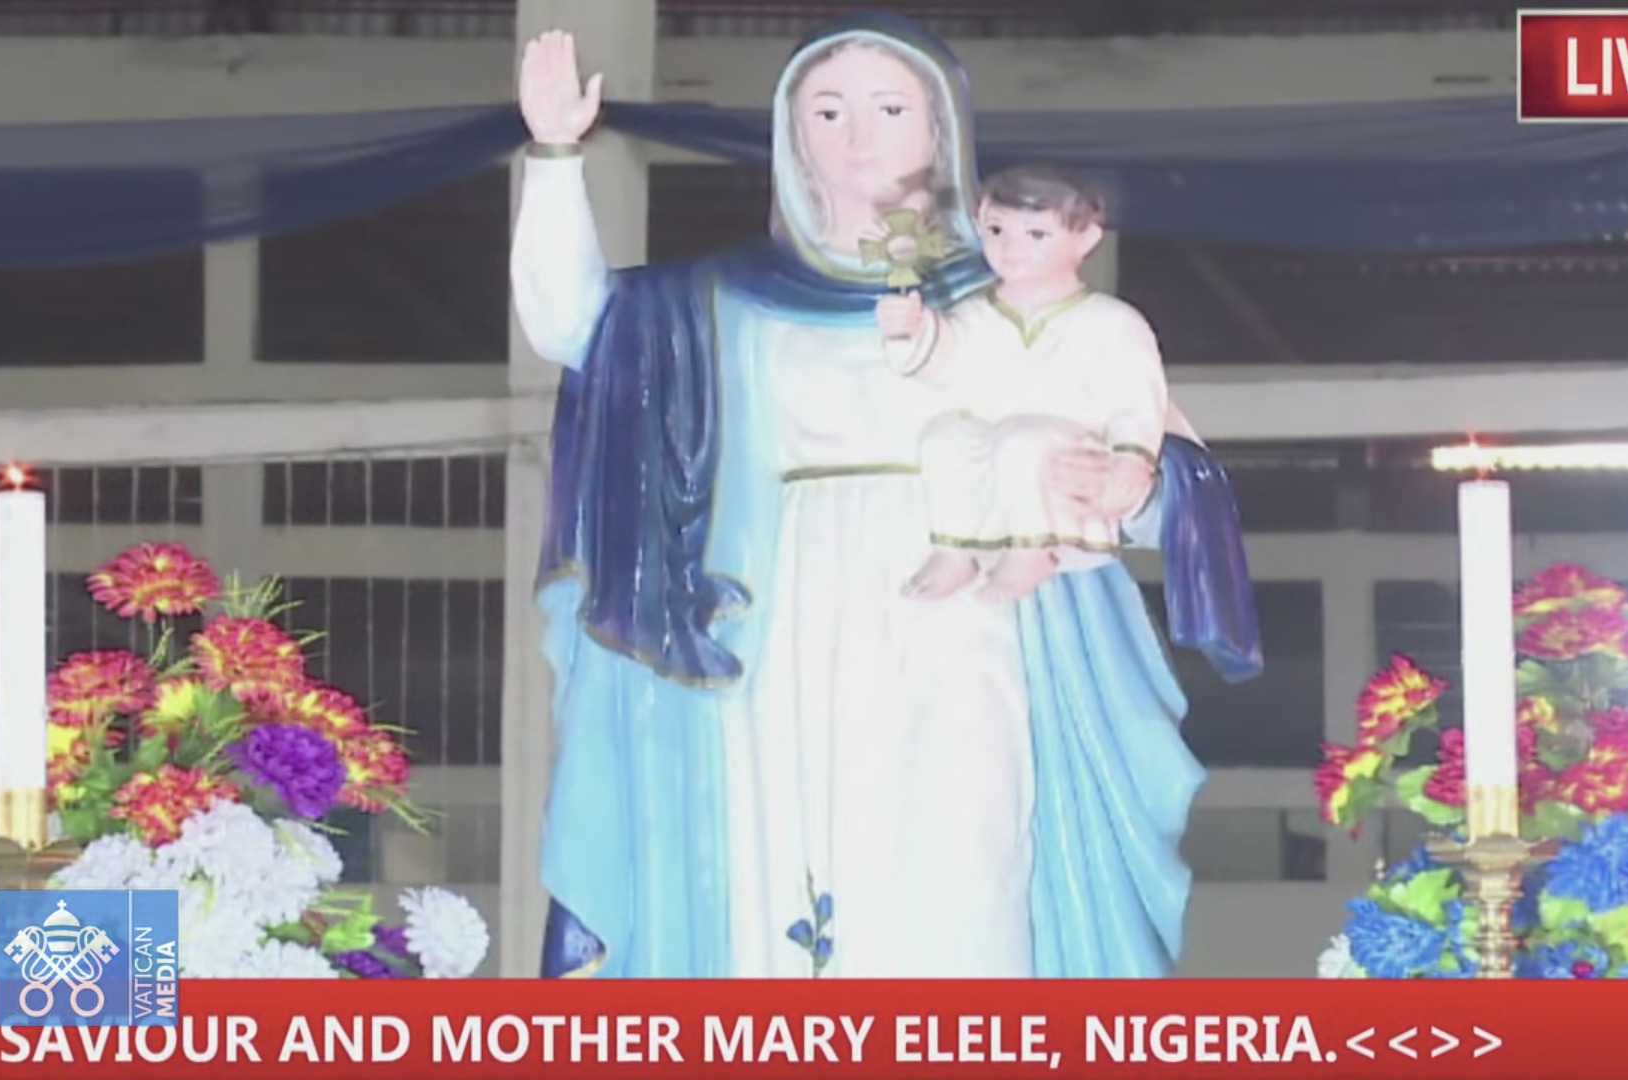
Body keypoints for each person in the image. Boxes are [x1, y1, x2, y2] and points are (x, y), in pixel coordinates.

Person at [512, 12, 1263, 980]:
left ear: (942, 131)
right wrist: (555, 155)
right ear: (791, 137)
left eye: (890, 108)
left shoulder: (1019, 304)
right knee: (782, 884)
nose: (858, 134)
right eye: (828, 111)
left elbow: (1166, 474)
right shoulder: (718, 301)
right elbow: (572, 324)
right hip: (776, 632)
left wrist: (1125, 479)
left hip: (965, 621)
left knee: (967, 867)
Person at [877, 164, 1172, 602]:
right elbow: (941, 363)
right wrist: (910, 332)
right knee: (945, 439)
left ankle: (1032, 549)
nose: (1011, 248)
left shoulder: (1112, 323)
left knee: (1023, 440)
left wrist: (1131, 460)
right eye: (997, 230)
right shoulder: (975, 314)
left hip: (1069, 456)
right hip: (994, 453)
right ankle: (956, 550)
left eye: (1036, 234)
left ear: (1085, 238)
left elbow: (1137, 401)